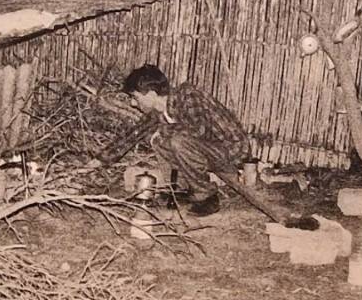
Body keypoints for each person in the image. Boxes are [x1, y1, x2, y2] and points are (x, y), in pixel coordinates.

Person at [86, 64, 252, 216]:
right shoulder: (159, 112)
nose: (133, 103)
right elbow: (132, 136)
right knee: (158, 140)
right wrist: (98, 160)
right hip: (209, 151)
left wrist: (165, 130)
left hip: (232, 152)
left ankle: (206, 197)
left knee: (176, 140)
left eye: (135, 97)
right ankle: (179, 190)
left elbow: (201, 131)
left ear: (151, 94)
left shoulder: (188, 96)